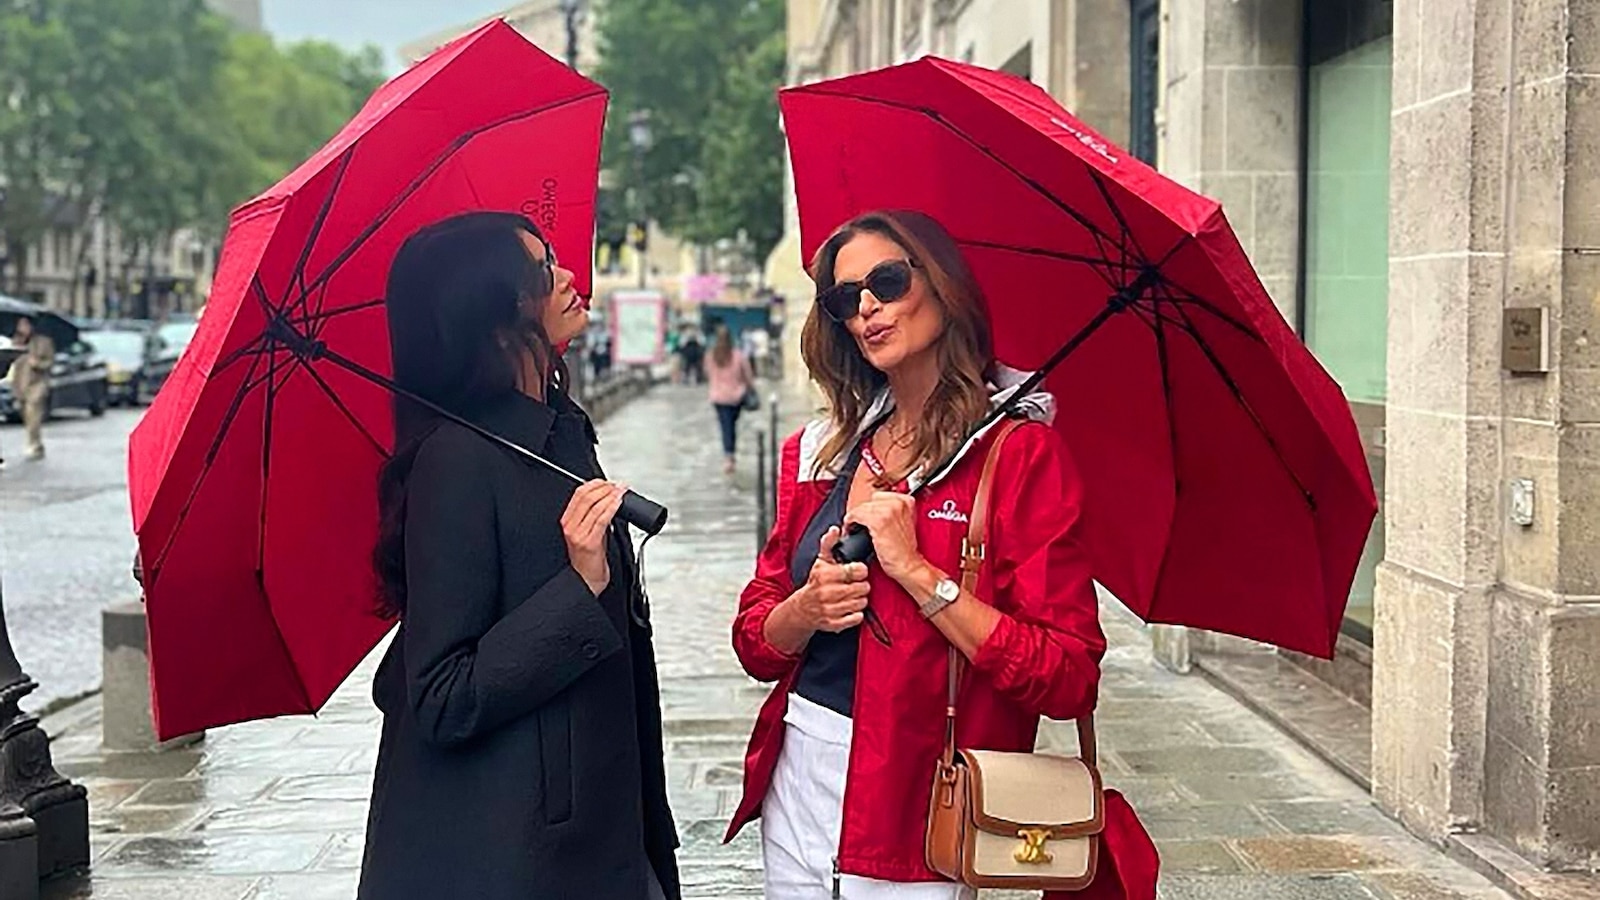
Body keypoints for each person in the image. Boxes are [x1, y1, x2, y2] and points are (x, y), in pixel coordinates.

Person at [727, 210, 1153, 899]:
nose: (866, 307)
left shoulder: (1017, 457)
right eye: (845, 297)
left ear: (943, 287)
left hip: (924, 807)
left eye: (887, 282)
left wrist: (922, 577)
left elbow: (1068, 674)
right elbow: (755, 639)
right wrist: (805, 609)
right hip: (800, 780)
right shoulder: (819, 454)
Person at [359, 212, 680, 900]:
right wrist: (580, 586)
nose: (569, 279)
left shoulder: (559, 435)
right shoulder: (456, 462)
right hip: (518, 854)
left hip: (608, 829)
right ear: (495, 309)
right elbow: (441, 696)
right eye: (543, 270)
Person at [705, 323, 755, 475]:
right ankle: (730, 456)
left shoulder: (710, 356)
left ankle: (729, 456)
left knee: (725, 426)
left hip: (718, 397)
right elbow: (748, 375)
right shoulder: (738, 355)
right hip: (736, 397)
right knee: (731, 426)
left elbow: (708, 373)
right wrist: (751, 388)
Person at [10, 316, 55, 461]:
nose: (22, 328)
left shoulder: (43, 342)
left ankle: (33, 444)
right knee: (26, 416)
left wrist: (37, 364)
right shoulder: (16, 342)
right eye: (20, 325)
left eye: (25, 325)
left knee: (33, 414)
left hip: (37, 383)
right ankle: (38, 443)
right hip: (20, 384)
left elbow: (50, 362)